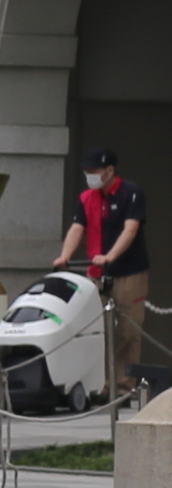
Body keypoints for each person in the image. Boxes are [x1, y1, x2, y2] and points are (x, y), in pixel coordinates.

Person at [53, 147, 149, 392]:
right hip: (96, 273)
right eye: (87, 171)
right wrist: (65, 255)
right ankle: (97, 383)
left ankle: (123, 385)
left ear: (109, 171)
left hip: (129, 271)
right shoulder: (87, 198)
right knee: (95, 328)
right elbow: (77, 228)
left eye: (94, 170)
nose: (90, 175)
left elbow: (131, 229)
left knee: (129, 330)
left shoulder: (131, 194)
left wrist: (110, 256)